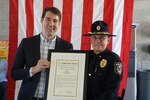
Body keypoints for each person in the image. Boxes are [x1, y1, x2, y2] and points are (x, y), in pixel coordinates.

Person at [11, 7, 73, 100]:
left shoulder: (67, 47)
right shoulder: (26, 43)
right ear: (41, 20)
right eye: (48, 19)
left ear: (59, 23)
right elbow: (14, 73)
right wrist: (34, 69)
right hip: (29, 97)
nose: (51, 24)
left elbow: (70, 76)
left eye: (55, 21)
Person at [83, 20, 123, 100]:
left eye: (102, 38)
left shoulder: (114, 60)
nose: (98, 41)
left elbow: (111, 91)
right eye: (94, 37)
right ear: (90, 39)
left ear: (108, 40)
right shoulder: (84, 57)